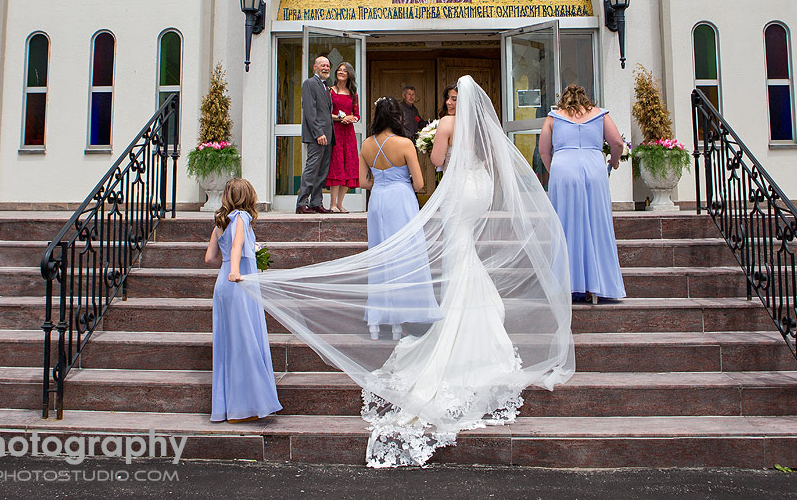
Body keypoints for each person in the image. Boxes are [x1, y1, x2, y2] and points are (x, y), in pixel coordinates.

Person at [244, 76, 574, 468]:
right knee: (454, 250)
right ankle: (459, 305)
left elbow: (433, 163)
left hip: (392, 198)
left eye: (452, 98)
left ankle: (410, 314)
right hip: (476, 188)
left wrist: (436, 144)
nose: (450, 103)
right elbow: (433, 175)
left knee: (408, 255)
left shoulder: (399, 138)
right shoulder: (479, 129)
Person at [359, 97, 442, 341]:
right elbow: (419, 183)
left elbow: (363, 182)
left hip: (378, 201)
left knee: (380, 258)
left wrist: (381, 182)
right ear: (397, 117)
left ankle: (376, 321)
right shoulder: (405, 144)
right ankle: (399, 320)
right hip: (401, 200)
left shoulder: (365, 145)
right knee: (405, 256)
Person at [539, 84, 627, 304]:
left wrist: (556, 171)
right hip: (594, 169)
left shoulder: (553, 118)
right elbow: (617, 142)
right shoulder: (600, 115)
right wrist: (613, 162)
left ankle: (567, 285)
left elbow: (543, 150)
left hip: (563, 169)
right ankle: (597, 286)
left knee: (566, 225)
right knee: (597, 224)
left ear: (564, 100)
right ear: (585, 99)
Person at [205, 178, 282, 422]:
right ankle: (244, 407)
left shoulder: (220, 222)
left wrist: (228, 266)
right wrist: (236, 270)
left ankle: (229, 407)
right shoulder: (241, 217)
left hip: (223, 286)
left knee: (229, 344)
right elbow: (237, 244)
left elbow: (209, 259)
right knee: (245, 343)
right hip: (238, 285)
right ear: (249, 197)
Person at [296, 55, 333, 214]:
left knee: (322, 172)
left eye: (327, 66)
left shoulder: (325, 86)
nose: (325, 68)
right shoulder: (310, 83)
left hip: (328, 137)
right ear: (315, 67)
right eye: (322, 65)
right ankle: (302, 203)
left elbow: (324, 112)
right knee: (311, 170)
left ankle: (316, 202)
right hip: (317, 136)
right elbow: (310, 111)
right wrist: (319, 133)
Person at [324, 61, 360, 213]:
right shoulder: (330, 91)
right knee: (336, 166)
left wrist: (350, 118)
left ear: (349, 74)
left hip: (349, 133)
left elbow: (357, 115)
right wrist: (340, 118)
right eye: (339, 70)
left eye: (345, 70)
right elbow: (325, 113)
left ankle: (340, 204)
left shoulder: (353, 94)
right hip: (336, 131)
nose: (342, 72)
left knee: (349, 165)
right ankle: (332, 204)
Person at [431, 84, 458, 173]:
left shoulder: (447, 122)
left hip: (456, 179)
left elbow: (437, 161)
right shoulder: (481, 125)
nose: (448, 102)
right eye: (448, 98)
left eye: (454, 99)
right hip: (482, 180)